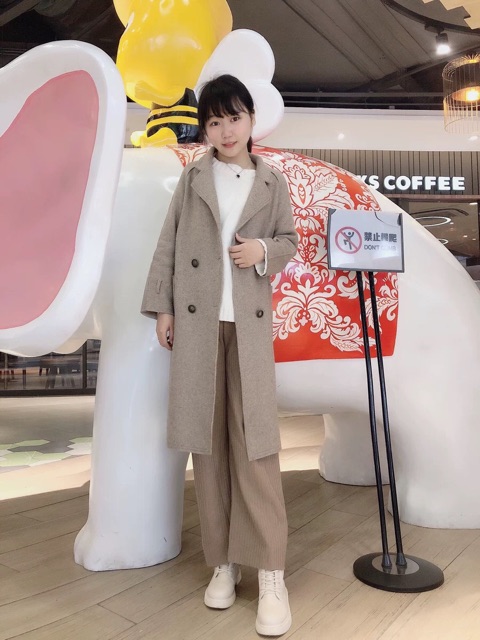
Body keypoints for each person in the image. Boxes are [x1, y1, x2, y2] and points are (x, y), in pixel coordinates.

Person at [141, 74, 298, 636]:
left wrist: (263, 250)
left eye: (234, 117)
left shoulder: (272, 181)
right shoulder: (193, 177)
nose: (225, 130)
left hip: (248, 330)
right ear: (205, 128)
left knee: (256, 449)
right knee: (206, 451)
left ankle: (272, 573)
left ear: (251, 120)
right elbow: (168, 241)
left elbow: (290, 241)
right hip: (200, 325)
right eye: (214, 121)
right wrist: (163, 308)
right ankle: (223, 564)